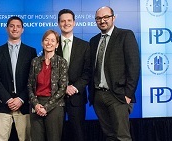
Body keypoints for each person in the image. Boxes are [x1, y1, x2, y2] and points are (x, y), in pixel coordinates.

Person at [88, 6, 140, 141]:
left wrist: (128, 94)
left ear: (113, 18)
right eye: (99, 18)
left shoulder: (125, 35)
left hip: (118, 95)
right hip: (98, 96)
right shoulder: (94, 41)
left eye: (106, 17)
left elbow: (134, 66)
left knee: (122, 137)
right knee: (109, 136)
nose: (102, 21)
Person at [0, 16, 37, 141]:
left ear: (22, 30)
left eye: (18, 26)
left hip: (23, 106)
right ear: (7, 29)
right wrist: (7, 99)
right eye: (12, 26)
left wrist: (21, 98)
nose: (15, 29)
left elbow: (32, 79)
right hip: (2, 105)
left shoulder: (30, 52)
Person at [55, 9, 90, 141]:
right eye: (63, 21)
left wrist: (74, 87)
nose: (66, 23)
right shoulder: (52, 43)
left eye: (69, 20)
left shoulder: (85, 46)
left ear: (74, 23)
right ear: (59, 24)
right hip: (56, 98)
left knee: (78, 134)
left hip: (77, 98)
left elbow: (88, 72)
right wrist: (63, 87)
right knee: (57, 134)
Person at [28, 29, 68, 141]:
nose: (49, 43)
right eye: (46, 40)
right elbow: (30, 86)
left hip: (55, 106)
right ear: (42, 43)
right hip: (37, 105)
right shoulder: (35, 62)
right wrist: (36, 105)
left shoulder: (62, 62)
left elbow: (62, 88)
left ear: (57, 44)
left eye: (52, 40)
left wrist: (46, 107)